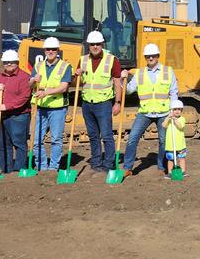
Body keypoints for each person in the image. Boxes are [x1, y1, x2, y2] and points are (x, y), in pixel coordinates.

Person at [121, 43, 178, 177]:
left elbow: (174, 91)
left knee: (164, 141)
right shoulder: (139, 73)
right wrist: (122, 79)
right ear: (145, 57)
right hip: (145, 112)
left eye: (153, 56)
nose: (150, 58)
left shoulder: (168, 71)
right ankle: (127, 168)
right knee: (132, 138)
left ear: (158, 56)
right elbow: (129, 90)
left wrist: (173, 110)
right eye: (148, 56)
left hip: (163, 112)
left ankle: (161, 166)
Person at [73, 30, 122, 174]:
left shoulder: (112, 60)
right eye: (92, 44)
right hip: (87, 104)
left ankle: (109, 164)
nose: (95, 47)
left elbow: (117, 83)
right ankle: (95, 162)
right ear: (88, 45)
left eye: (98, 44)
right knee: (93, 136)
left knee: (106, 135)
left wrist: (117, 102)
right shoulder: (82, 60)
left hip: (104, 103)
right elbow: (76, 83)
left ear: (102, 44)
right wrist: (77, 75)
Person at [0, 50, 32, 173]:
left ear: (17, 62)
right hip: (1, 116)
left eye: (11, 62)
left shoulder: (24, 77)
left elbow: (24, 97)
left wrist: (6, 106)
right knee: (3, 144)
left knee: (19, 143)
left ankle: (19, 169)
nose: (8, 64)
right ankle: (6, 169)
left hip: (18, 116)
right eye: (6, 62)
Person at [30, 37, 72, 172]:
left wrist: (46, 92)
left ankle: (54, 167)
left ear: (58, 50)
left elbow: (64, 87)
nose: (50, 51)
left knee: (56, 140)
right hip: (39, 107)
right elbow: (29, 84)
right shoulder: (38, 66)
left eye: (53, 49)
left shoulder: (65, 66)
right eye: (48, 49)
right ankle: (42, 167)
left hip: (57, 108)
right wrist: (33, 81)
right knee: (36, 141)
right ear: (44, 50)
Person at [163, 98, 187, 177]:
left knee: (182, 158)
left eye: (179, 109)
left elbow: (180, 126)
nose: (177, 111)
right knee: (170, 159)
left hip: (180, 144)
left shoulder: (182, 119)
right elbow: (163, 125)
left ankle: (183, 171)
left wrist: (175, 119)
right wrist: (168, 118)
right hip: (170, 144)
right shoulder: (169, 119)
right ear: (171, 110)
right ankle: (170, 172)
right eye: (175, 109)